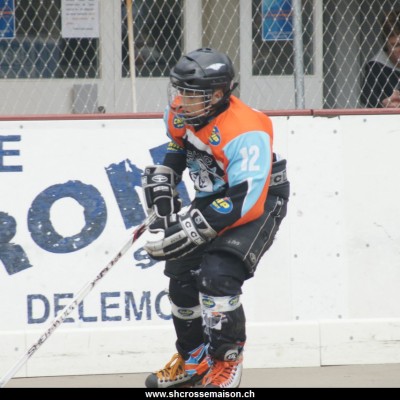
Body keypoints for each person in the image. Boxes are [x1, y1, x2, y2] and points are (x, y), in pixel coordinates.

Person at [141, 48, 290, 388]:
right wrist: (167, 176)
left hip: (259, 198)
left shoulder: (246, 130)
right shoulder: (182, 113)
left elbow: (247, 200)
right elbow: (180, 146)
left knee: (217, 274)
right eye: (179, 90)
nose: (180, 101)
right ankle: (195, 360)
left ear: (218, 95)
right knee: (181, 274)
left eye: (191, 93)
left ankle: (226, 362)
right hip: (215, 195)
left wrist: (195, 227)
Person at [360, 10, 400, 108]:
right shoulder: (376, 66)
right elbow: (367, 96)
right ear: (386, 45)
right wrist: (384, 103)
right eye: (396, 45)